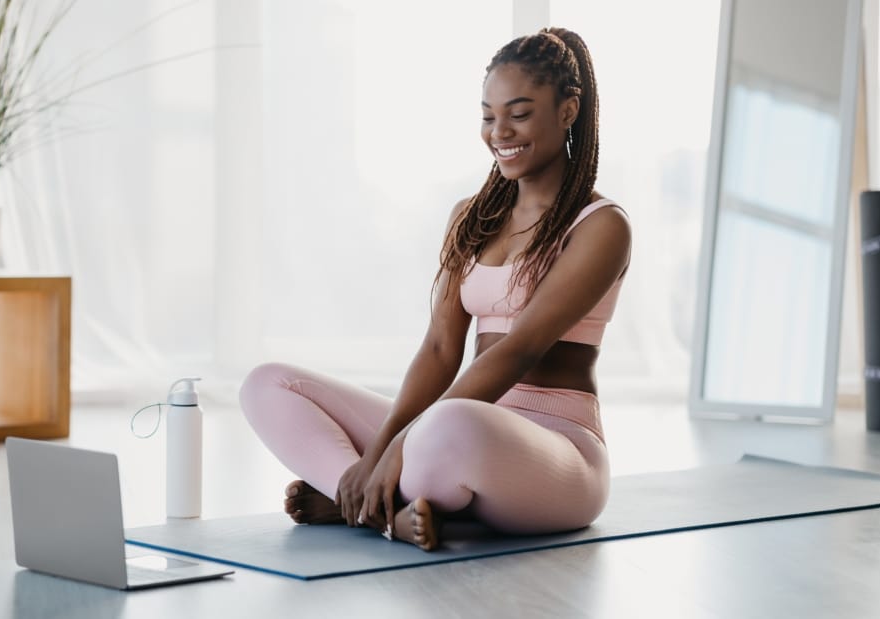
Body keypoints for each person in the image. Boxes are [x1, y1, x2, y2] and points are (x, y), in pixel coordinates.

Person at [239, 27, 631, 551]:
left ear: (568, 111)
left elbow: (521, 349)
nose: (500, 132)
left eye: (518, 114)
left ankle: (364, 504)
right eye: (488, 116)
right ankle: (368, 500)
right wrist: (381, 451)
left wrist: (400, 448)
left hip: (558, 451)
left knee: (444, 428)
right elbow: (441, 348)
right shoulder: (470, 217)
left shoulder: (601, 226)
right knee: (267, 384)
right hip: (457, 427)